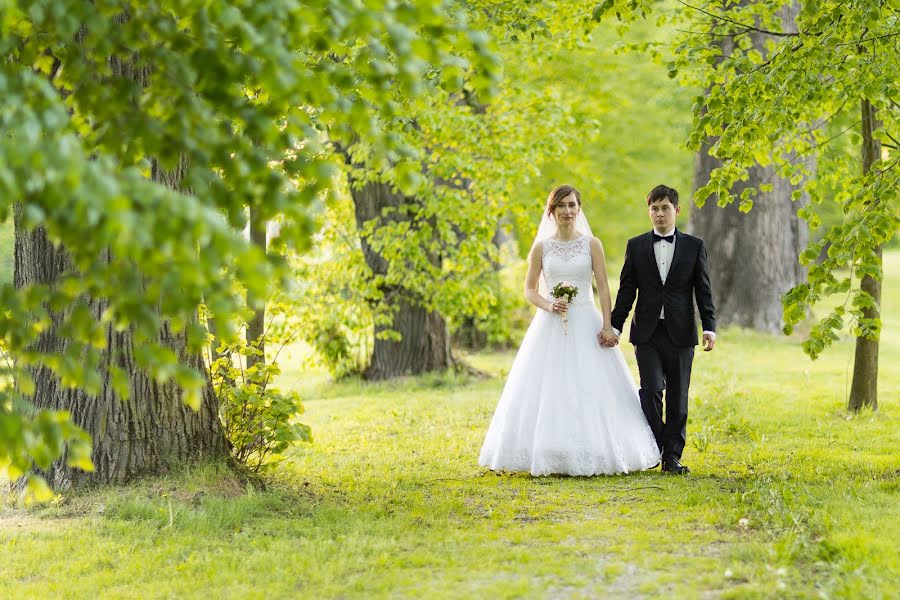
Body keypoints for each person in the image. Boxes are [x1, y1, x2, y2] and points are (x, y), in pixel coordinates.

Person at [478, 185, 660, 476]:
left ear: (579, 208)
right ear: (552, 211)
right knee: (550, 386)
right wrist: (549, 305)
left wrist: (607, 324)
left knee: (590, 385)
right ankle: (549, 449)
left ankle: (597, 448)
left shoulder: (592, 244)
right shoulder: (541, 247)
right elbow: (529, 290)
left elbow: (602, 287)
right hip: (550, 324)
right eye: (561, 206)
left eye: (572, 205)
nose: (567, 211)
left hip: (586, 321)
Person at [610, 184, 717, 475]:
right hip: (647, 333)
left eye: (665, 208)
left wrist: (710, 327)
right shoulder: (636, 246)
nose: (659, 214)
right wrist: (615, 326)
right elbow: (626, 290)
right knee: (651, 390)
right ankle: (655, 446)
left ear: (676, 211)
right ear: (649, 212)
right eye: (654, 208)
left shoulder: (694, 246)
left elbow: (703, 290)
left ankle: (672, 457)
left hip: (681, 332)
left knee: (678, 397)